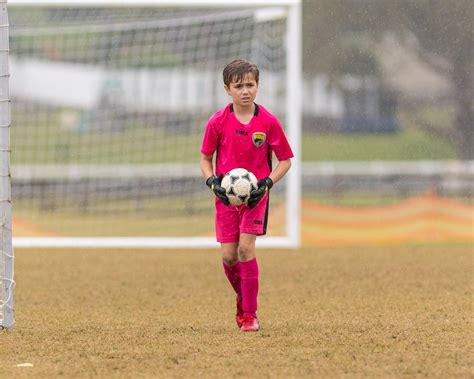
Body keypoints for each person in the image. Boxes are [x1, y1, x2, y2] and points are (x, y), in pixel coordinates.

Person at [200, 59, 293, 332]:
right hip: (225, 199)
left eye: (250, 85)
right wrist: (211, 182)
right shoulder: (218, 121)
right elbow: (205, 158)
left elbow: (285, 160)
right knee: (229, 257)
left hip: (255, 197)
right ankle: (243, 297)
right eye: (238, 86)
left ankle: (250, 315)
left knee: (244, 249)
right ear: (227, 89)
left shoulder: (268, 122)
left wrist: (266, 184)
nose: (245, 91)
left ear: (258, 86)